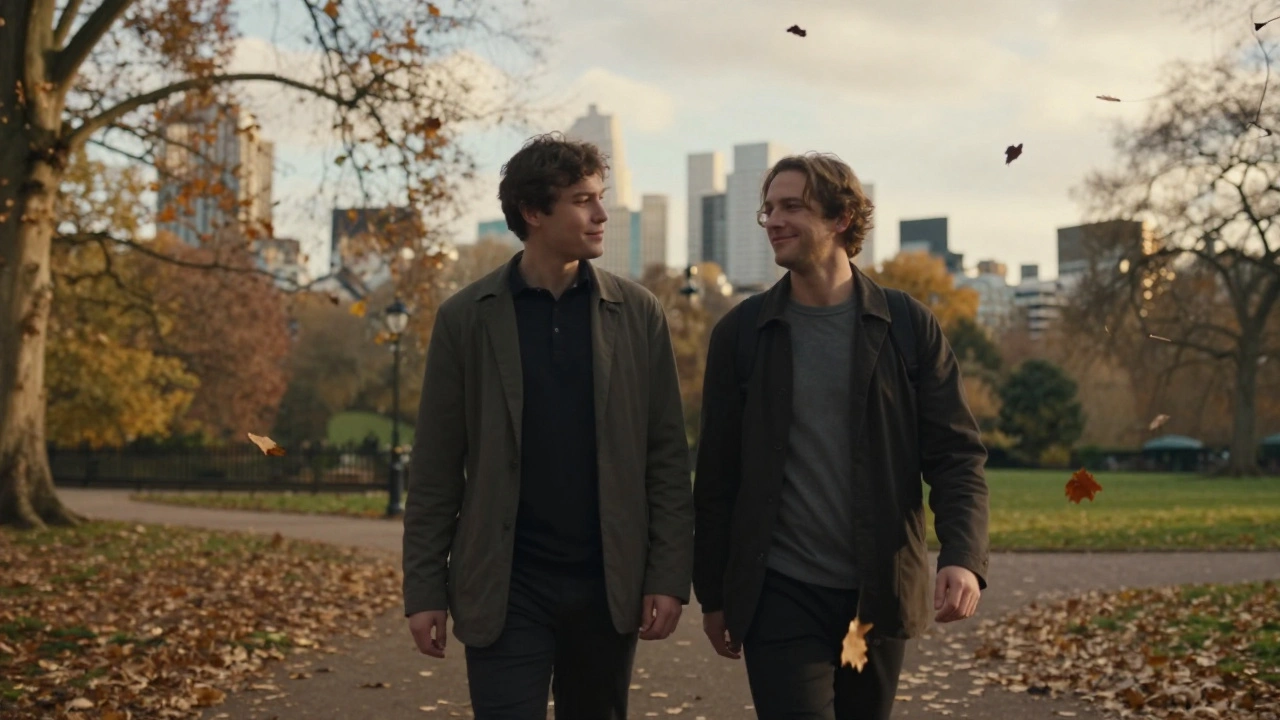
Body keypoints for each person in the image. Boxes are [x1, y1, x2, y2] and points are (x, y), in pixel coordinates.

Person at [402, 133, 694, 720]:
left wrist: (667, 575)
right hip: (506, 584)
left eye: (601, 197)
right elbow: (436, 466)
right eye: (583, 200)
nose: (602, 213)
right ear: (534, 212)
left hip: (606, 581)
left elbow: (665, 456)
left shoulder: (638, 314)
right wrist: (426, 590)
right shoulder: (466, 318)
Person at [692, 152, 990, 720]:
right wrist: (715, 594)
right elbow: (716, 478)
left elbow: (955, 453)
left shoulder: (907, 325)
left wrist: (963, 555)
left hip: (871, 604)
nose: (773, 220)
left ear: (841, 219)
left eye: (791, 207)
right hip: (779, 596)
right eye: (769, 209)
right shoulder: (742, 334)